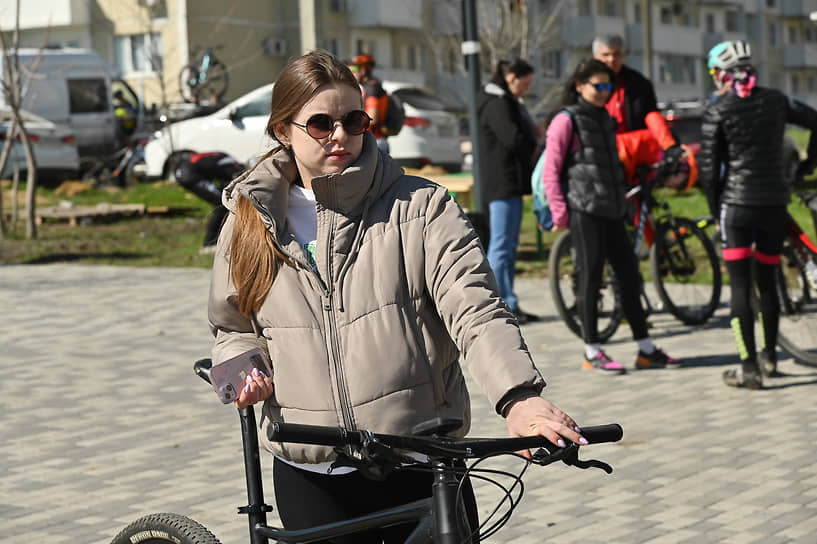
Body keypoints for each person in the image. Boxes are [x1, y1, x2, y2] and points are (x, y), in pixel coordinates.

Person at [207, 49, 587, 543]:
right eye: (320, 123)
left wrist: (519, 399)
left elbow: (476, 308)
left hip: (421, 460)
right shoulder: (250, 219)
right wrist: (243, 370)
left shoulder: (423, 207)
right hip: (311, 470)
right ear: (284, 130)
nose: (340, 134)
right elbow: (232, 326)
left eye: (354, 120)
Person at [541, 58, 681, 374]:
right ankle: (592, 351)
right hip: (584, 209)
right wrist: (560, 211)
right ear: (579, 86)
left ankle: (646, 350)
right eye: (598, 86)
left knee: (629, 276)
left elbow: (611, 164)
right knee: (590, 279)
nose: (605, 92)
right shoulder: (566, 120)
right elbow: (552, 169)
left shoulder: (605, 119)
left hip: (612, 209)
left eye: (608, 86)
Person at [699, 40, 817, 389]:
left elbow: (708, 170)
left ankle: (749, 368)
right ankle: (769, 359)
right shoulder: (777, 99)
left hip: (736, 208)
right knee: (767, 283)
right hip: (774, 207)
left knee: (739, 287)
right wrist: (807, 165)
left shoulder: (718, 109)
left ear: (721, 73)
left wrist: (715, 206)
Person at [477, 59, 540, 324]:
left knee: (508, 246)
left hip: (510, 182)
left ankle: (510, 300)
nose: (525, 89)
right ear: (511, 77)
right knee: (501, 247)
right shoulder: (497, 103)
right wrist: (533, 140)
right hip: (502, 182)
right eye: (524, 83)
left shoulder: (502, 100)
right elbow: (513, 138)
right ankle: (499, 303)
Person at [592, 34, 680, 151]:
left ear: (623, 55)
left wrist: (669, 146)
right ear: (595, 57)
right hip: (597, 151)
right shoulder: (585, 84)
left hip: (633, 152)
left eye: (616, 54)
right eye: (606, 55)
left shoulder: (638, 83)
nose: (611, 59)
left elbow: (651, 115)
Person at [349, 53, 389, 153]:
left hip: (375, 141)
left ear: (362, 70)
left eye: (353, 69)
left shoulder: (371, 88)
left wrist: (349, 122)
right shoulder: (371, 86)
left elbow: (373, 117)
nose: (350, 73)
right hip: (375, 140)